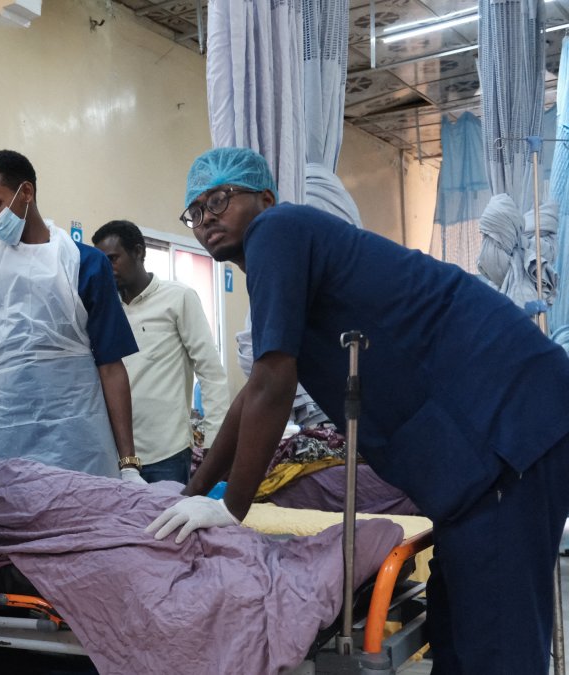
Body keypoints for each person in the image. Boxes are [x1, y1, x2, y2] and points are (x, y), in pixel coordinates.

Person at [149, 146, 569, 673]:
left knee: (496, 639)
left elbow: (273, 384)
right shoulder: (284, 261)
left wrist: (230, 509)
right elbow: (256, 389)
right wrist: (194, 494)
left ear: (265, 198)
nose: (206, 219)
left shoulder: (276, 231)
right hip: (482, 451)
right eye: (195, 211)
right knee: (456, 626)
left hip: (508, 427)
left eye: (218, 200)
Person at [0, 150, 141, 480]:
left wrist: (128, 463)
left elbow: (111, 366)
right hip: (2, 445)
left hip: (80, 447)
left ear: (26, 193)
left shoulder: (84, 264)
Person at [92, 220, 230, 484]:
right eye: (101, 262)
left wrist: (214, 441)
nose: (107, 269)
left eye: (112, 258)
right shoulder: (107, 311)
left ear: (139, 252)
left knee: (167, 524)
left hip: (167, 453)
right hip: (119, 456)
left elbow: (211, 372)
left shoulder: (178, 298)